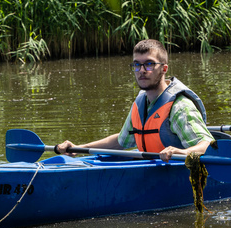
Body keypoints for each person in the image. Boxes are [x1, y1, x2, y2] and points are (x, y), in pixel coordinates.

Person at [55, 39, 213, 161]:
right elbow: (121, 141)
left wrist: (182, 152)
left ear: (164, 69)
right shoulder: (141, 104)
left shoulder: (180, 107)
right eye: (137, 65)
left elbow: (208, 145)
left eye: (149, 64)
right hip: (150, 170)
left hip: (176, 172)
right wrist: (78, 148)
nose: (142, 71)